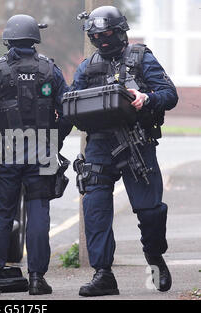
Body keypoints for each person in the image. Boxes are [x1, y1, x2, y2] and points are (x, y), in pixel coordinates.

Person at [69, 6, 178, 297]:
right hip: (99, 146)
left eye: (107, 34)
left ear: (120, 32)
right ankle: (103, 274)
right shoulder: (87, 66)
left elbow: (170, 95)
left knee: (150, 211)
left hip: (136, 142)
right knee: (95, 209)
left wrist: (148, 97)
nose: (102, 40)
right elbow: (69, 104)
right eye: (96, 35)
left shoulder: (142, 57)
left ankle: (154, 257)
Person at [0, 14, 72, 296]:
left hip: (4, 153)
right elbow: (70, 109)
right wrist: (55, 139)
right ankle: (37, 279)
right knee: (38, 216)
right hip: (42, 155)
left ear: (9, 39)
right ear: (34, 38)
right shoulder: (51, 71)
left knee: (0, 216)